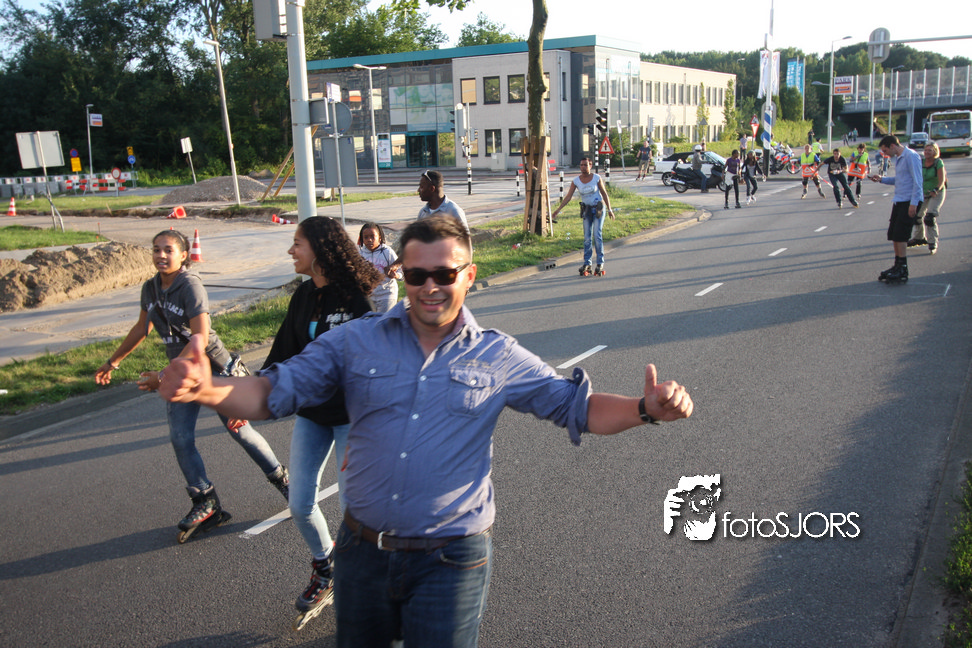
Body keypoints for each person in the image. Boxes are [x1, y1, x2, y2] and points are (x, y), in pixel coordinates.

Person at [157, 215, 694, 648]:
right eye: (417, 276)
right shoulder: (357, 341)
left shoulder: (498, 355)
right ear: (403, 277)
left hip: (452, 559)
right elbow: (273, 390)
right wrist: (208, 389)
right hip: (362, 553)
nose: (431, 287)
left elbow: (577, 408)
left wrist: (644, 409)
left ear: (469, 276)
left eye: (445, 274)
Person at [95, 230, 288, 543]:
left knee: (240, 432)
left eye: (168, 250)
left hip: (215, 370)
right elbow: (141, 328)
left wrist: (164, 375)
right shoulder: (150, 288)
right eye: (156, 249)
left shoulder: (190, 285)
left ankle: (284, 481)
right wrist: (112, 362)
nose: (160, 255)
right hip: (182, 374)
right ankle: (206, 501)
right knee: (181, 437)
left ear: (183, 255)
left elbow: (200, 336)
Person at [263, 216, 380, 622]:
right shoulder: (303, 296)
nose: (291, 250)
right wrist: (243, 394)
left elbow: (372, 360)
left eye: (297, 243)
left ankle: (366, 586)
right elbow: (280, 357)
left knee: (353, 512)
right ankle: (325, 565)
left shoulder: (354, 299)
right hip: (313, 416)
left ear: (320, 250)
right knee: (299, 504)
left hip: (351, 418)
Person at [869, 135, 923, 283]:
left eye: (886, 150)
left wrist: (914, 203)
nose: (885, 154)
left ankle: (903, 268)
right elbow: (899, 180)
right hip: (899, 200)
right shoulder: (899, 158)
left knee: (901, 235)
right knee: (894, 234)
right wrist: (881, 179)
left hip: (908, 201)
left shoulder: (911, 156)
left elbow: (918, 181)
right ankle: (897, 264)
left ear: (892, 145)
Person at [551, 156, 616, 276]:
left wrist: (610, 209)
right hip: (586, 210)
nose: (583, 167)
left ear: (590, 165)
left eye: (585, 165)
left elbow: (604, 193)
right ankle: (587, 263)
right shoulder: (576, 181)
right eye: (581, 165)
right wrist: (557, 210)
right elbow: (568, 197)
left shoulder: (596, 178)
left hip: (598, 209)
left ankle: (600, 262)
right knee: (587, 237)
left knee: (597, 235)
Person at [907, 142, 947, 255]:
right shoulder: (921, 162)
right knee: (917, 216)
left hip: (936, 193)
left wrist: (936, 189)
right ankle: (919, 238)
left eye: (930, 150)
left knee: (929, 217)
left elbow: (942, 180)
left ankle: (932, 242)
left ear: (935, 152)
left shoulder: (938, 162)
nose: (927, 152)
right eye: (926, 150)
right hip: (923, 193)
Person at [357, 222, 401, 313]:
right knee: (370, 320)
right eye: (366, 237)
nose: (369, 240)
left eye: (372, 236)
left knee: (384, 320)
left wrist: (396, 275)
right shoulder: (360, 254)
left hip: (387, 294)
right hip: (369, 296)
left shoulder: (387, 252)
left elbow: (401, 272)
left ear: (379, 237)